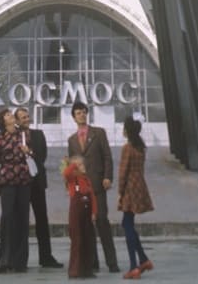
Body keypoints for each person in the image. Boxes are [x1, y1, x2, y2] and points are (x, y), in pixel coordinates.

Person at [67, 102, 119, 274]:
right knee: (86, 225)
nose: (81, 115)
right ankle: (92, 262)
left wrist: (107, 177)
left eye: (83, 112)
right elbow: (72, 164)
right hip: (82, 189)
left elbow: (107, 157)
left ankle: (112, 262)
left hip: (98, 184)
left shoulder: (99, 133)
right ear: (73, 117)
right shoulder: (72, 140)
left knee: (102, 221)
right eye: (78, 113)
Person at [16, 106, 63, 269]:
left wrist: (29, 152)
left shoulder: (38, 135)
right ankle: (20, 259)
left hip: (36, 183)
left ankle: (46, 257)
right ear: (16, 121)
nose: (26, 119)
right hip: (20, 183)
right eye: (22, 117)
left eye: (27, 116)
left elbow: (42, 156)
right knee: (21, 220)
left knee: (42, 219)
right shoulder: (13, 137)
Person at [0, 106, 32, 274]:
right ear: (3, 121)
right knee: (7, 219)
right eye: (7, 115)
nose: (11, 116)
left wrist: (29, 151)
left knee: (23, 219)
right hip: (7, 182)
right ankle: (4, 260)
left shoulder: (24, 135)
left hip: (23, 181)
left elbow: (32, 156)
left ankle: (20, 261)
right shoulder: (0, 139)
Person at [116, 117, 154, 280]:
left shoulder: (127, 148)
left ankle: (134, 266)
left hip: (130, 189)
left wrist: (120, 193)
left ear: (127, 131)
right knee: (128, 223)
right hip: (140, 186)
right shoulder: (140, 148)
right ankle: (143, 259)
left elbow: (123, 173)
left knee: (127, 225)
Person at [63, 155, 97, 280]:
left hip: (87, 214)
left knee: (88, 241)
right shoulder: (72, 179)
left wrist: (94, 212)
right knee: (77, 241)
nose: (83, 167)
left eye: (82, 164)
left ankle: (87, 270)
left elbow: (92, 196)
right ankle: (74, 270)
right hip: (76, 213)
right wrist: (73, 165)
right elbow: (66, 173)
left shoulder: (87, 180)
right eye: (80, 165)